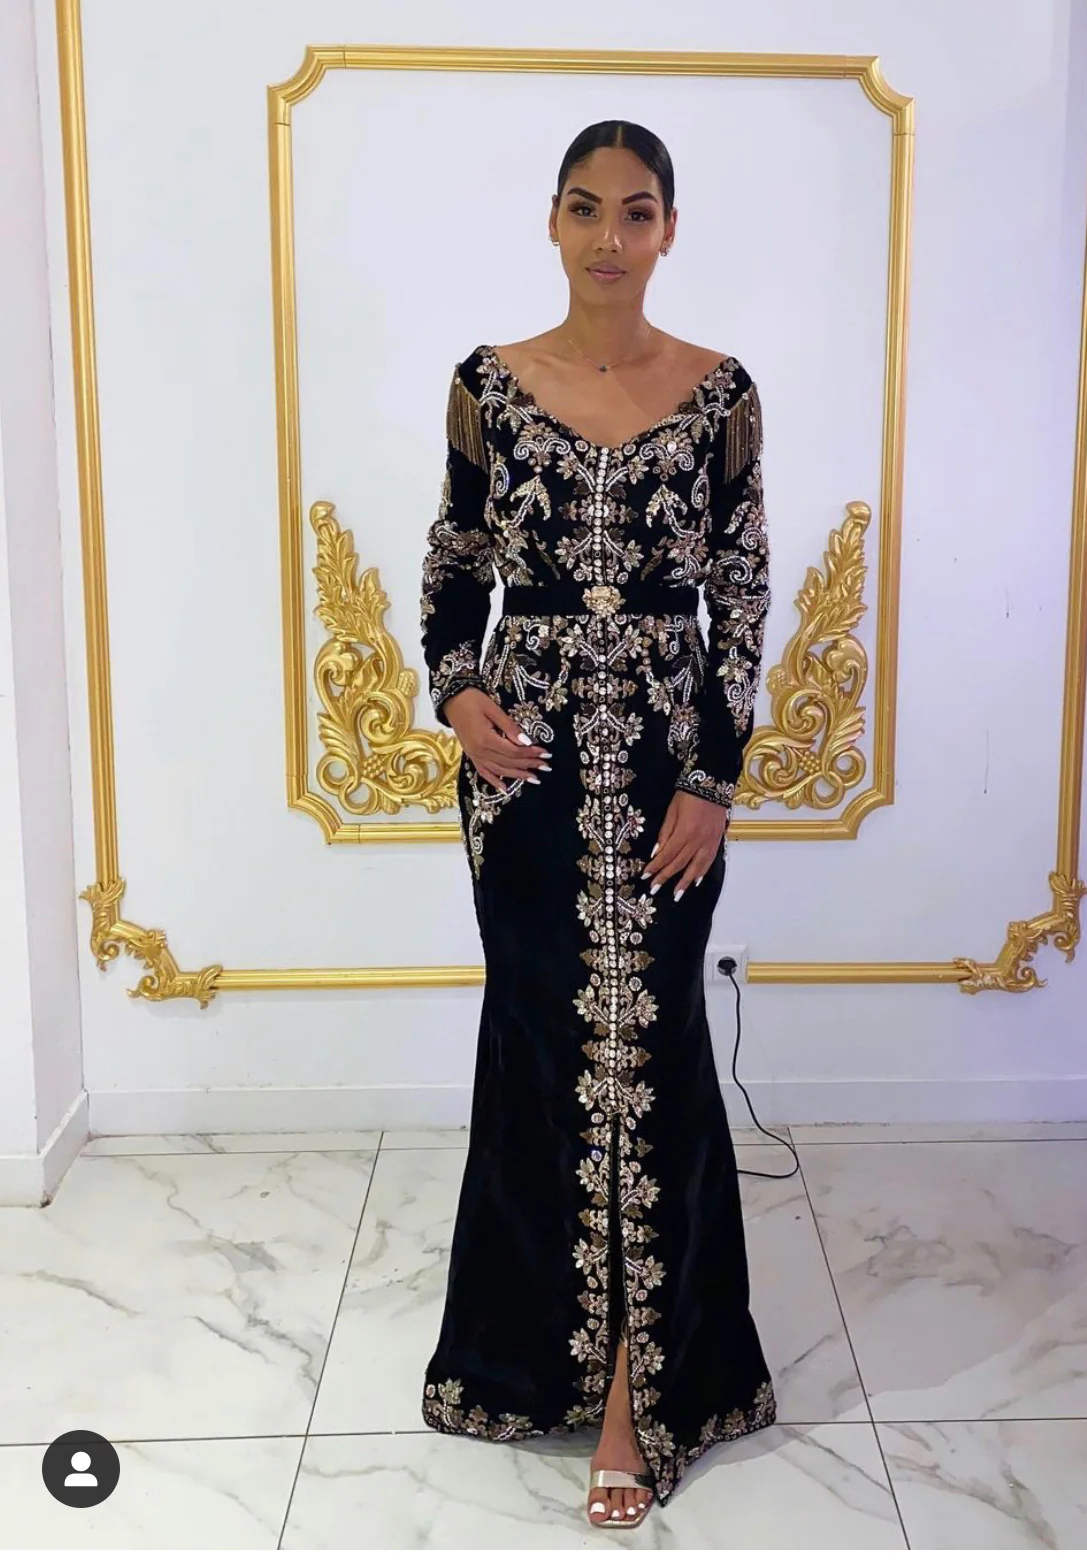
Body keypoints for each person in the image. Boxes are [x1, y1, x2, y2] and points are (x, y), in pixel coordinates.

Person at [418, 118, 775, 1529]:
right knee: (541, 1038)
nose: (609, 237)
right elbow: (456, 563)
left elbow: (741, 594)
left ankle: (643, 1387)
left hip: (674, 764)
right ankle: (528, 1357)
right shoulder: (490, 387)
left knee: (657, 1044)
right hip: (526, 770)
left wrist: (713, 777)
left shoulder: (720, 392)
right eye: (585, 209)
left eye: (635, 212)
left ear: (669, 230)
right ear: (553, 223)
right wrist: (459, 696)